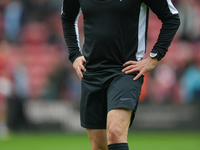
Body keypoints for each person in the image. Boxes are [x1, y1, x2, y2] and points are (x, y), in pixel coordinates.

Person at [61, 0, 180, 150]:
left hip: (125, 71)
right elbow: (67, 17)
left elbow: (171, 17)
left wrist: (154, 57)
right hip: (91, 73)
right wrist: (74, 54)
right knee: (98, 145)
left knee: (115, 132)